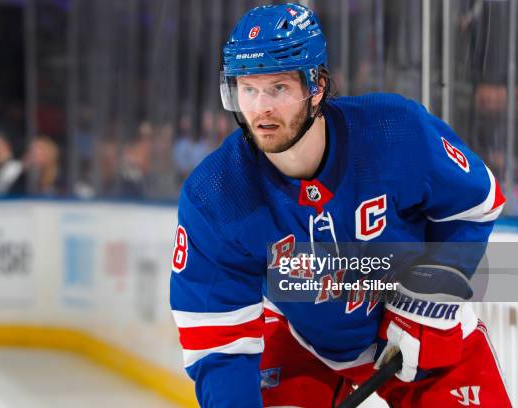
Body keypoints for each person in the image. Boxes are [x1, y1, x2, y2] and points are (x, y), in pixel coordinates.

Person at [169, 4, 511, 408]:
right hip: (302, 342)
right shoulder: (215, 194)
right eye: (248, 88)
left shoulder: (394, 131)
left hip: (421, 329)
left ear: (317, 87)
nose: (261, 108)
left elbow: (476, 203)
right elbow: (218, 342)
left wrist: (428, 300)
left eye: (278, 88)